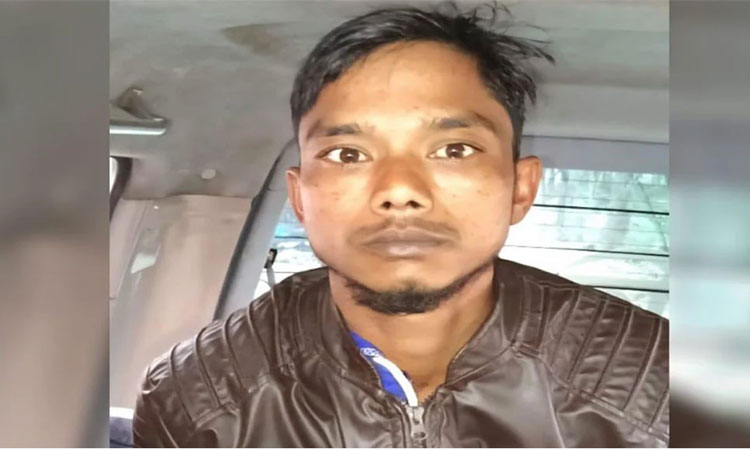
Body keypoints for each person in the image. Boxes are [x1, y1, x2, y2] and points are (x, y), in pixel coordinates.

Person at [133, 3, 669, 447]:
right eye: (347, 154)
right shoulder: (197, 400)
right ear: (300, 198)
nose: (398, 190)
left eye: (454, 150)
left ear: (520, 189)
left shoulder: (654, 390)